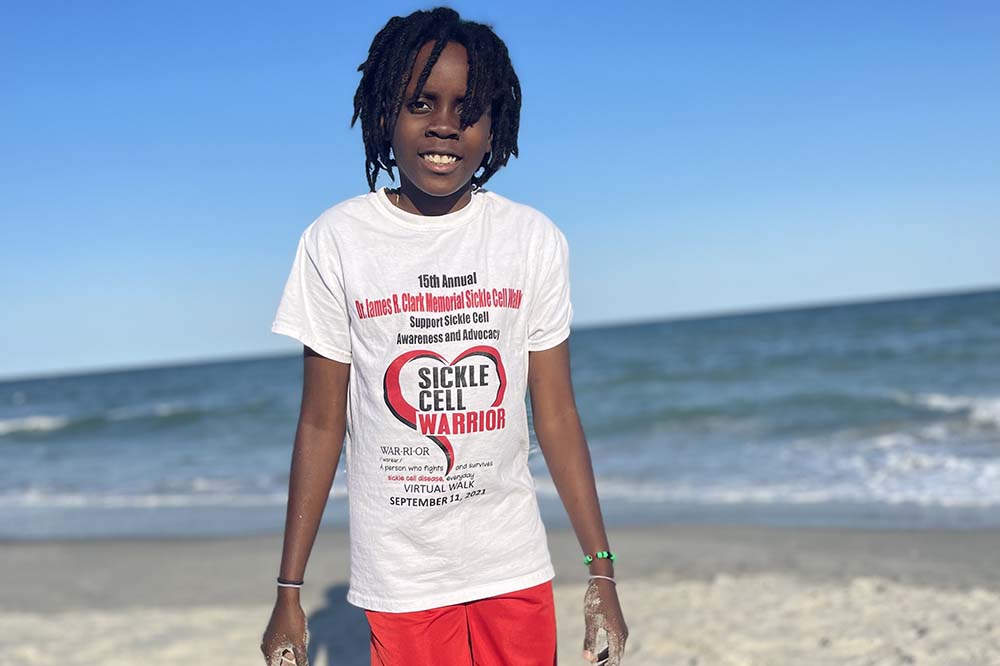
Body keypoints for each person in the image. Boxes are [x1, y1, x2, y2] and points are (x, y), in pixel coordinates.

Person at [260, 7, 628, 665]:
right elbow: (321, 423)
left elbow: (558, 413)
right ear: (382, 116)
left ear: (496, 129)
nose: (445, 125)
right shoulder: (337, 241)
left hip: (510, 560)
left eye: (469, 109)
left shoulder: (531, 239)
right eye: (421, 103)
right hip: (401, 573)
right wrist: (289, 588)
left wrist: (601, 571)